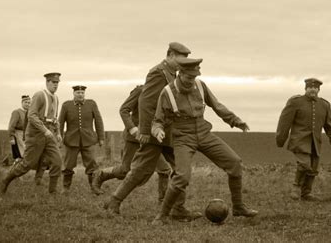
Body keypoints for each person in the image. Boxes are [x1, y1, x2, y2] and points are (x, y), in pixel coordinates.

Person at [150, 57, 258, 225]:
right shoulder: (168, 92)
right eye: (188, 77)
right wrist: (158, 131)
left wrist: (236, 121)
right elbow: (157, 120)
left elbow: (217, 106)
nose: (192, 81)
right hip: (183, 137)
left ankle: (238, 207)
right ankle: (162, 216)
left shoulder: (200, 85)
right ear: (180, 74)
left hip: (204, 132)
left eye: (194, 77)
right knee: (182, 177)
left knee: (235, 163)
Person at [104, 42, 200, 221]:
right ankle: (114, 202)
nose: (183, 62)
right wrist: (146, 131)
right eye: (180, 58)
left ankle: (178, 208)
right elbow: (146, 103)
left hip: (170, 133)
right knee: (141, 170)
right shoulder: (157, 72)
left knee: (181, 169)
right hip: (156, 134)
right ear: (170, 55)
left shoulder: (173, 74)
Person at [91, 84, 171, 203]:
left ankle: (163, 202)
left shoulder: (166, 93)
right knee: (125, 170)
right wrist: (133, 129)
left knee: (164, 170)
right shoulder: (141, 90)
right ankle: (101, 174)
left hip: (152, 140)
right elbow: (124, 110)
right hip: (134, 138)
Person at [276, 78, 331, 200]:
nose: (313, 90)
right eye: (310, 87)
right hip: (299, 140)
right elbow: (284, 121)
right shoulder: (295, 102)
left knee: (313, 168)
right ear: (306, 88)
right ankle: (296, 188)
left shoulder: (325, 105)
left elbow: (328, 124)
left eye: (315, 88)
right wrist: (280, 138)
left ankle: (306, 193)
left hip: (315, 142)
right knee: (305, 164)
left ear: (319, 90)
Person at [0, 72, 63, 194]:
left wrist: (58, 133)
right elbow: (31, 115)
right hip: (35, 134)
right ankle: (5, 181)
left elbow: (55, 119)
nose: (56, 85)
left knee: (57, 161)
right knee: (27, 164)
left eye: (57, 83)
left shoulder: (56, 98)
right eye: (53, 82)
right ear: (47, 82)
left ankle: (52, 191)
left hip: (49, 134)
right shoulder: (39, 95)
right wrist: (44, 130)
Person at [58, 85, 104, 192]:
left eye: (82, 93)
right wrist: (59, 138)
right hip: (71, 141)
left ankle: (94, 187)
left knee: (92, 164)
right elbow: (60, 123)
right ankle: (65, 187)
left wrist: (101, 137)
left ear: (84, 94)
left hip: (89, 140)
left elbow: (98, 120)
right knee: (68, 165)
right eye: (78, 92)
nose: (80, 94)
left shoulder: (92, 104)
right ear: (73, 93)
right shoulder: (66, 105)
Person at [7, 95, 31, 163]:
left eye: (29, 103)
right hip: (18, 134)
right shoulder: (17, 112)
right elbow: (11, 125)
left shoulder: (30, 113)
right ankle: (13, 171)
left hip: (26, 135)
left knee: (27, 154)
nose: (27, 104)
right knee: (20, 155)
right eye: (26, 102)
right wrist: (11, 137)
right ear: (22, 103)